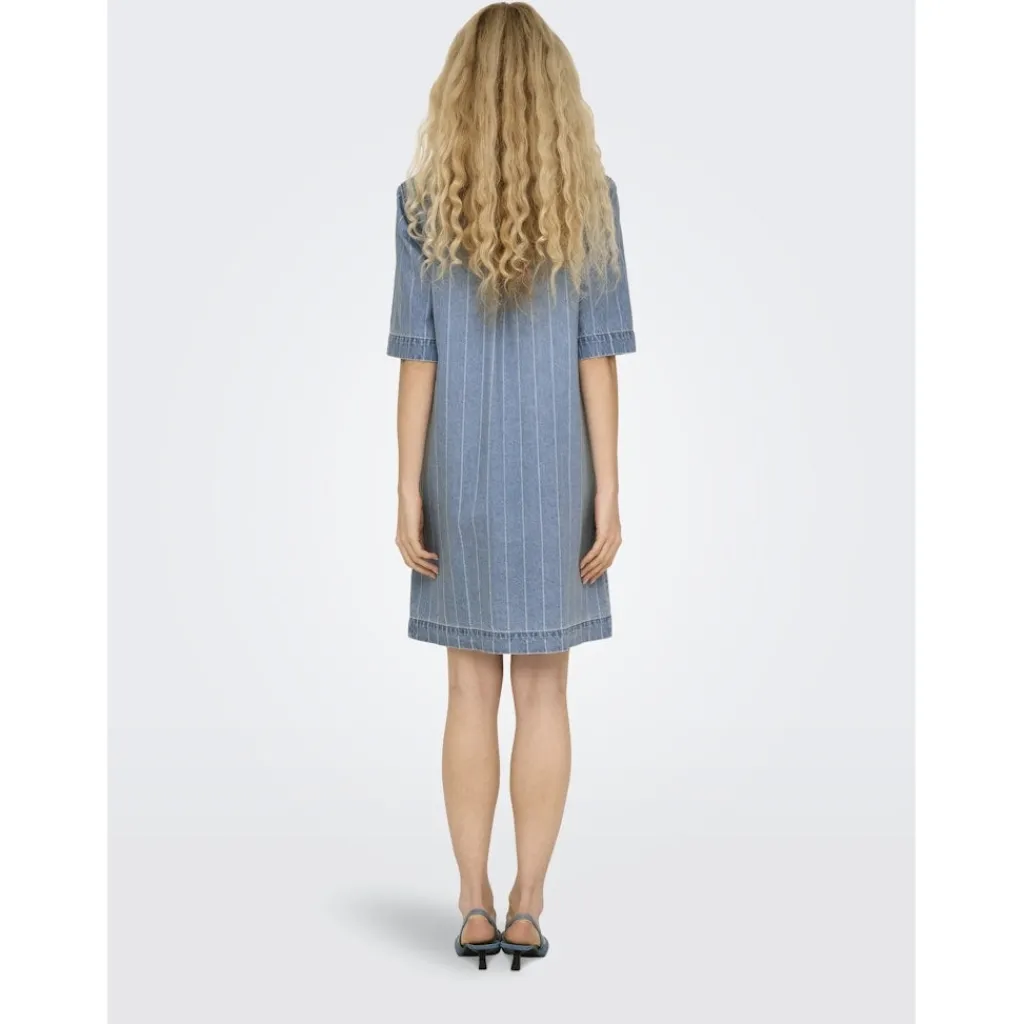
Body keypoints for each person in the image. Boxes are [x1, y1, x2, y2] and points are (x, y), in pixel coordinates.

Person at [386, 2, 636, 970]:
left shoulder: (422, 203)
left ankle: (473, 901)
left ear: (459, 91)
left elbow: (418, 358)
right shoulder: (590, 200)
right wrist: (608, 489)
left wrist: (407, 488)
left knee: (465, 688)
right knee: (543, 691)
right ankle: (528, 903)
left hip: (458, 468)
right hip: (556, 470)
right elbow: (596, 356)